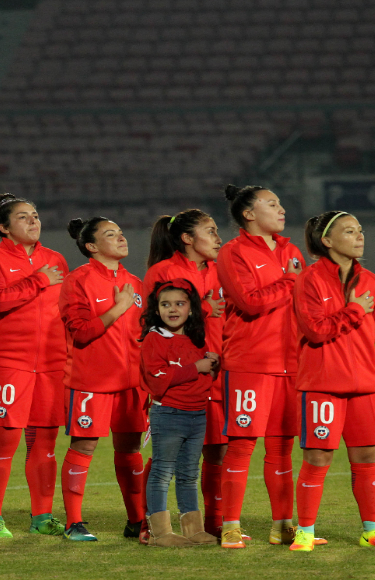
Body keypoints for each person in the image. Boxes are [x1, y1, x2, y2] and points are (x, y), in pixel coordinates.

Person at [290, 211, 375, 551]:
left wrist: (355, 354)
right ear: (327, 241)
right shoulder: (309, 280)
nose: (359, 236)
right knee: (317, 458)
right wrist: (354, 310)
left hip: (366, 384)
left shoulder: (371, 280)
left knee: (367, 456)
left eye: (360, 230)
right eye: (349, 231)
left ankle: (372, 529)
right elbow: (314, 330)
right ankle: (306, 532)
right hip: (323, 384)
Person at [0, 193, 68, 538]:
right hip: (8, 360)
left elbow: (64, 310)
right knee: (4, 440)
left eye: (36, 215)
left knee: (44, 442)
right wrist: (39, 280)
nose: (34, 221)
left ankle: (42, 516)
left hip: (53, 363)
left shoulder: (55, 258)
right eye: (24, 217)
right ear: (4, 227)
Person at [216, 184, 308, 548]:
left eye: (281, 202)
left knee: (282, 447)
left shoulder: (290, 249)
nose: (281, 208)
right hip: (250, 362)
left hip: (291, 363)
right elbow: (250, 303)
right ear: (249, 214)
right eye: (272, 204)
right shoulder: (233, 252)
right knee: (241, 446)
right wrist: (289, 280)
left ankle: (282, 524)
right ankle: (230, 525)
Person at [57, 217, 147, 542]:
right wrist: (118, 308)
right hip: (91, 381)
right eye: (111, 234)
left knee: (130, 449)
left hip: (132, 383)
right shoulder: (77, 281)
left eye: (121, 232)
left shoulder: (135, 282)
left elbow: (144, 335)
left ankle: (137, 521)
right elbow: (80, 333)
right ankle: (74, 523)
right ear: (92, 247)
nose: (121, 238)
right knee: (84, 445)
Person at [143, 209, 228, 538]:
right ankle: (148, 523)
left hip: (216, 374)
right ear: (187, 238)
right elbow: (154, 322)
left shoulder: (221, 271)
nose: (218, 237)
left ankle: (212, 523)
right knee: (166, 458)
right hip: (178, 380)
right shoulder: (164, 272)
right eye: (210, 230)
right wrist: (204, 307)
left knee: (216, 451)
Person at [139, 278, 219, 547]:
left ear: (192, 309)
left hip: (198, 414)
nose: (172, 309)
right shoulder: (154, 338)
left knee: (188, 473)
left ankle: (192, 529)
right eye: (165, 304)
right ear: (156, 308)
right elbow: (157, 379)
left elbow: (202, 376)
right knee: (162, 472)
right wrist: (197, 367)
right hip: (169, 413)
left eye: (179, 304)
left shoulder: (196, 338)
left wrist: (213, 365)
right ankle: (160, 532)